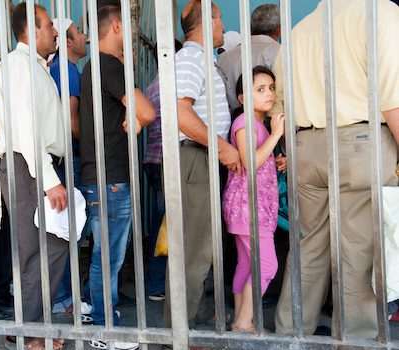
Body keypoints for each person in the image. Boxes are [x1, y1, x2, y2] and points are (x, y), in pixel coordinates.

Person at [272, 0, 399, 338]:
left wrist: (291, 152)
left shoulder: (301, 30)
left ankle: (290, 335)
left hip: (306, 146)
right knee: (359, 253)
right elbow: (393, 95)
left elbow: (279, 106)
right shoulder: (378, 12)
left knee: (308, 247)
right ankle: (357, 341)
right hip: (361, 143)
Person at [79, 2, 155, 348]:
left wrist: (133, 115)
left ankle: (96, 312)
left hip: (101, 175)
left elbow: (132, 113)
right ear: (116, 28)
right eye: (129, 25)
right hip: (111, 177)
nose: (133, 32)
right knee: (108, 257)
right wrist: (136, 116)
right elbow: (148, 111)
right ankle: (103, 329)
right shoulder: (109, 66)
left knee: (104, 253)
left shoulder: (93, 67)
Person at [162, 0, 241, 329]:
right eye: (220, 19)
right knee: (193, 250)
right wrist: (223, 149)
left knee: (200, 246)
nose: (222, 26)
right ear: (207, 23)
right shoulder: (191, 58)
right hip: (197, 157)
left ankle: (192, 315)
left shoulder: (200, 59)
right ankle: (179, 330)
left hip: (201, 157)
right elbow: (181, 114)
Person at [0, 4, 69, 349]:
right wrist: (49, 177)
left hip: (33, 164)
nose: (56, 32)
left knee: (45, 248)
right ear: (31, 29)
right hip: (29, 165)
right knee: (41, 250)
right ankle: (33, 333)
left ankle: (32, 329)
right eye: (50, 25)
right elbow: (25, 126)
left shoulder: (33, 66)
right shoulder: (17, 64)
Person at [222, 66, 286, 333]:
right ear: (242, 97)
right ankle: (244, 322)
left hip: (249, 209)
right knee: (268, 265)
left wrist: (276, 158)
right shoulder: (245, 122)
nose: (268, 94)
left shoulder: (256, 123)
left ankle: (241, 319)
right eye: (260, 89)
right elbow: (249, 161)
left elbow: (259, 158)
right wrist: (275, 136)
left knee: (247, 265)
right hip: (249, 209)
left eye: (271, 88)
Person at [48, 17, 93, 319]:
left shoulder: (61, 68)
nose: (85, 37)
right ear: (66, 41)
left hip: (62, 159)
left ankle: (62, 295)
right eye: (78, 32)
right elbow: (71, 122)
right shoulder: (67, 70)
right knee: (67, 230)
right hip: (68, 159)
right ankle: (62, 298)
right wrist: (98, 147)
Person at [143, 39, 183, 303]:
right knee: (169, 224)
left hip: (152, 159)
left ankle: (157, 281)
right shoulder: (174, 86)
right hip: (169, 160)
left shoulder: (152, 86)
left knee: (161, 222)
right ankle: (159, 283)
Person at [218, 4, 281, 111]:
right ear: (279, 30)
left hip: (232, 125)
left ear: (250, 29)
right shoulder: (282, 54)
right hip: (274, 124)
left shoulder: (224, 57)